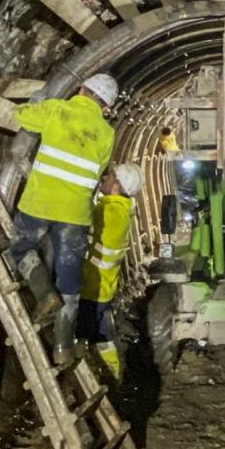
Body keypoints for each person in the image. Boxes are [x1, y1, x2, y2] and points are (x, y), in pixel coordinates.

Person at [9, 73, 118, 363]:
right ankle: (63, 349)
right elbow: (100, 169)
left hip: (40, 204)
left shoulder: (57, 110)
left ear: (81, 89)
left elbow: (20, 115)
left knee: (20, 248)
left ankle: (44, 293)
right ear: (106, 107)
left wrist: (35, 101)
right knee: (70, 282)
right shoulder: (107, 133)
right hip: (75, 215)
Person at [76, 162, 144, 379]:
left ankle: (85, 380)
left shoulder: (109, 212)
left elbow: (77, 217)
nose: (103, 178)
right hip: (104, 288)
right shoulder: (122, 209)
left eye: (108, 176)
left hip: (90, 288)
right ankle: (113, 376)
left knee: (81, 337)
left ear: (116, 185)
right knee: (103, 336)